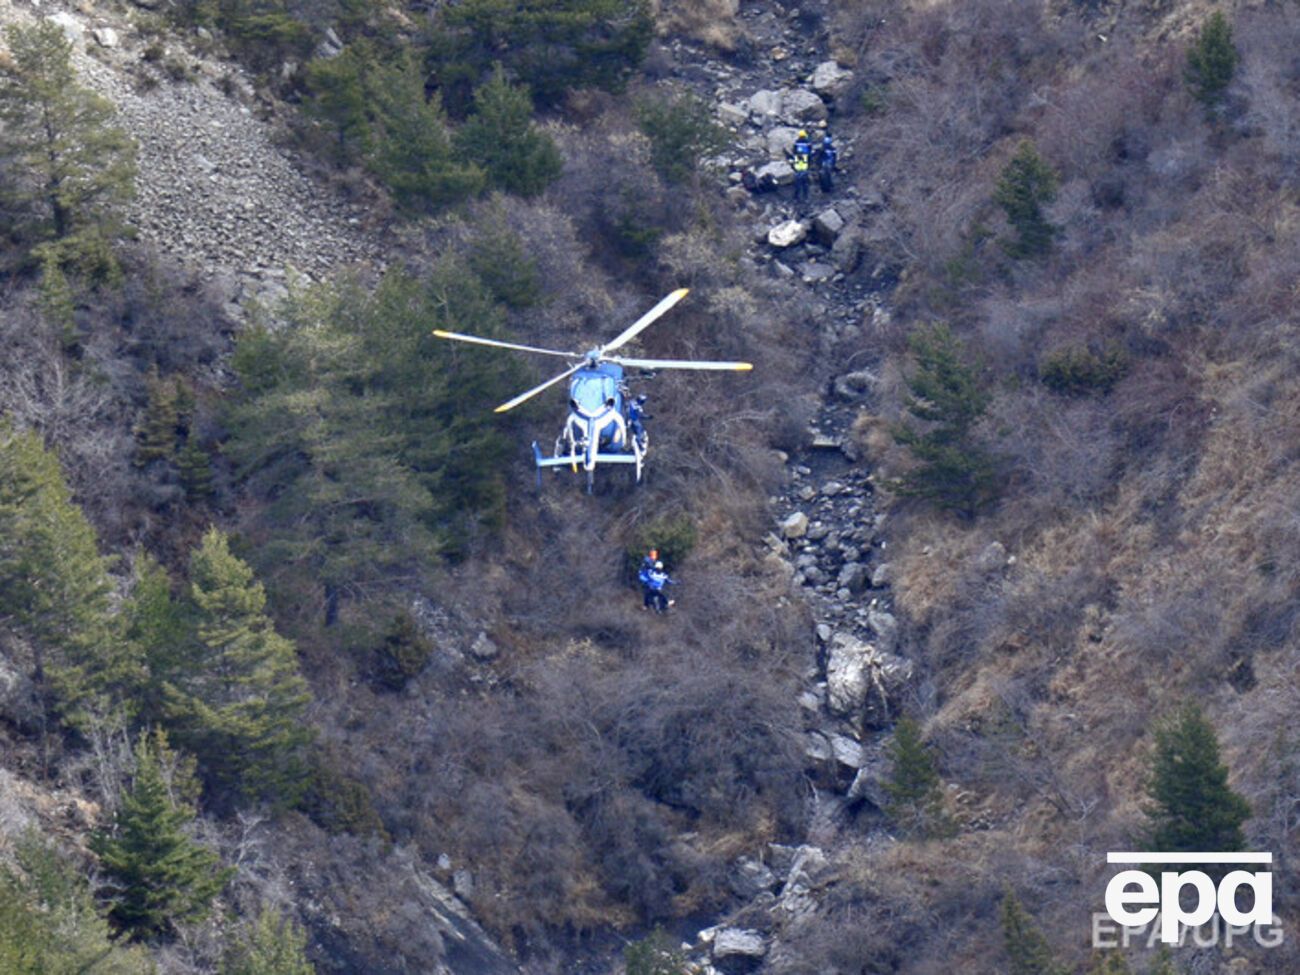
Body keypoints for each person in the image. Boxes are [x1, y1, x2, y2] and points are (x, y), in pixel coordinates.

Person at [790, 130, 812, 204]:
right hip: (804, 165)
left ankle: (796, 198)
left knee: (797, 183)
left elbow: (793, 151)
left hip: (797, 166)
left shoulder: (796, 142)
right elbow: (810, 152)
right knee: (805, 183)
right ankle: (805, 197)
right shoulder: (807, 142)